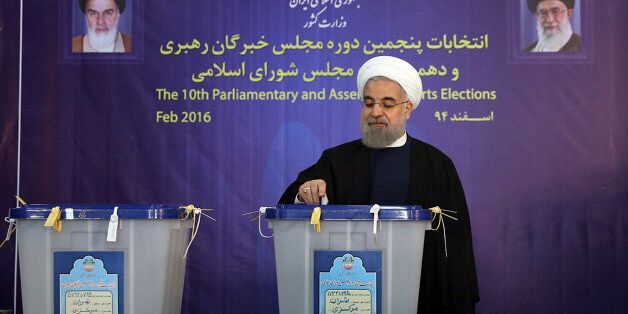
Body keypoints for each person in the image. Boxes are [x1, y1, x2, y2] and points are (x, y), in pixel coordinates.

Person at [279, 56, 479, 313]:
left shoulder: (437, 165)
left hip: (422, 295)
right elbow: (289, 203)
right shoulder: (336, 160)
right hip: (349, 293)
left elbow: (456, 249)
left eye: (387, 104)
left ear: (407, 109)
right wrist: (304, 192)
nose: (375, 112)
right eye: (369, 103)